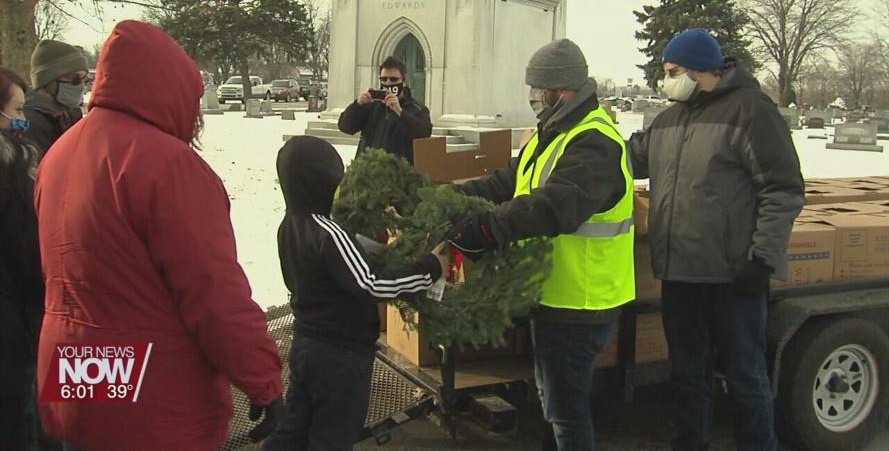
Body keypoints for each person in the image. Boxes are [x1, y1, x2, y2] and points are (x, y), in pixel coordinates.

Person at [34, 20, 284, 451]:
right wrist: (263, 381)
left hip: (75, 370)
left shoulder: (60, 152)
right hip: (154, 397)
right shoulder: (166, 165)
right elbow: (213, 293)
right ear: (170, 90)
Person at [447, 39, 636, 450]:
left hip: (582, 300)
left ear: (562, 90)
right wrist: (450, 197)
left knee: (566, 411)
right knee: (553, 402)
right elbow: (506, 182)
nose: (533, 97)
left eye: (539, 90)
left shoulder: (595, 142)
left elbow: (553, 206)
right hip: (552, 295)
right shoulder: (550, 133)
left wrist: (487, 230)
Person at [627, 28, 804, 451]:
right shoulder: (669, 119)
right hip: (680, 273)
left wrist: (762, 257)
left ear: (696, 69)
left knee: (744, 375)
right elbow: (626, 158)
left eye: (671, 71)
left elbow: (783, 188)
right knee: (688, 374)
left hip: (733, 276)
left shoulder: (749, 112)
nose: (665, 80)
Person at [261, 135, 449, 451]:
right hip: (340, 355)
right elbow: (370, 284)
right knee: (332, 437)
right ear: (324, 180)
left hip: (306, 344)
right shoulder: (331, 232)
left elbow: (304, 278)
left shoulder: (290, 224)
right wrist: (430, 268)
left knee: (292, 430)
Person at [0, 66, 43, 450]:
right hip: (13, 328)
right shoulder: (12, 166)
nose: (22, 119)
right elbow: (29, 251)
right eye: (16, 109)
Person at [337, 56, 432, 164]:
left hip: (398, 173)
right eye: (384, 79)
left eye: (393, 79)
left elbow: (423, 135)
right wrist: (357, 105)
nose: (388, 83)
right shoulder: (372, 105)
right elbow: (345, 127)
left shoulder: (418, 109)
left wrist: (400, 112)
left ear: (404, 81)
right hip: (368, 171)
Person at [24, 40, 90, 155]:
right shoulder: (28, 124)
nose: (80, 86)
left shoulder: (68, 118)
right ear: (48, 80)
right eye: (74, 78)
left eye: (84, 79)